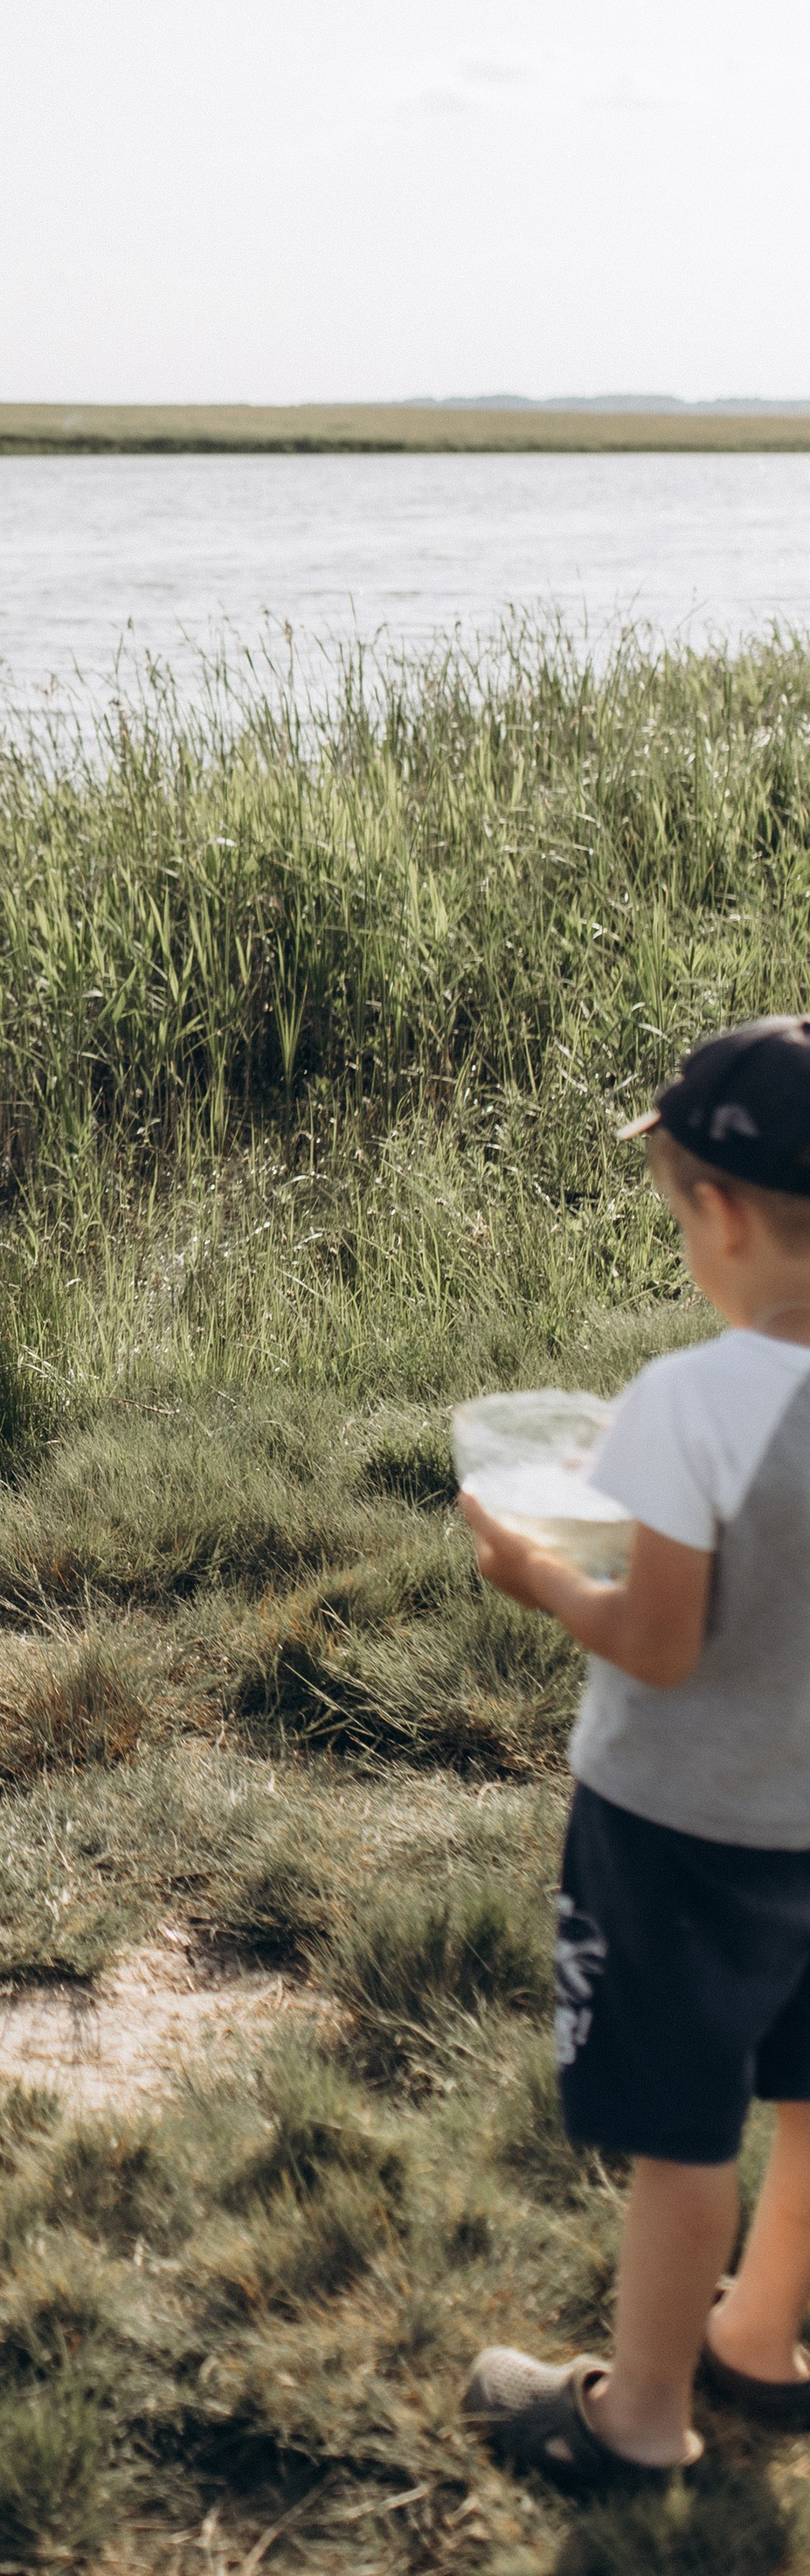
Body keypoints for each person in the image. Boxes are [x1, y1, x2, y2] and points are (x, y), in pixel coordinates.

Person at [460, 1015, 810, 2484]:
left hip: (683, 1834)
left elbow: (660, 1644)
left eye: (677, 1209)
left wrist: (533, 1573)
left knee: (686, 2130)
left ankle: (641, 2418)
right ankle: (764, 2342)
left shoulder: (688, 1399)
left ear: (719, 1212)